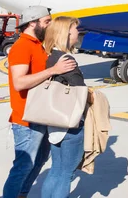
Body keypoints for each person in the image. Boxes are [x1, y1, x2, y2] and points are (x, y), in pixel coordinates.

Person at [3, 6, 76, 198]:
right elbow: (19, 83)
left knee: (40, 159)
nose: (49, 25)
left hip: (40, 114)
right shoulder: (22, 46)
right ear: (32, 23)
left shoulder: (38, 44)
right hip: (26, 118)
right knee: (23, 165)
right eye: (46, 21)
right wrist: (53, 70)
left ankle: (22, 194)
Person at [41, 16, 94, 198]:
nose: (78, 33)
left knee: (55, 170)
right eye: (75, 30)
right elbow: (80, 89)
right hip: (70, 124)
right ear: (66, 33)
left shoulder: (51, 56)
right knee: (66, 174)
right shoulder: (66, 60)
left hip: (54, 123)